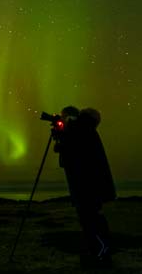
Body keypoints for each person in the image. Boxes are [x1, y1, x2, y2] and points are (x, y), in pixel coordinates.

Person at [53, 106, 116, 268]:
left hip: (86, 186)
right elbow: (73, 155)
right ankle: (99, 254)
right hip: (89, 186)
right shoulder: (84, 130)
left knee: (91, 221)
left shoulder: (79, 129)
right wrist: (62, 137)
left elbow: (73, 155)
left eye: (64, 117)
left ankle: (102, 254)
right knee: (91, 220)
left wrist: (62, 136)